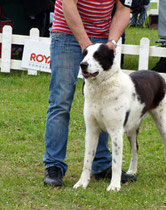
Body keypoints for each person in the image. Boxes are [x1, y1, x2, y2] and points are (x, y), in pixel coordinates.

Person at [43, 0, 137, 186]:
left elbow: (123, 9)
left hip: (101, 37)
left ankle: (101, 164)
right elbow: (68, 4)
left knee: (105, 101)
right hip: (68, 32)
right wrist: (85, 44)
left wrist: (111, 41)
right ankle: (54, 166)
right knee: (60, 100)